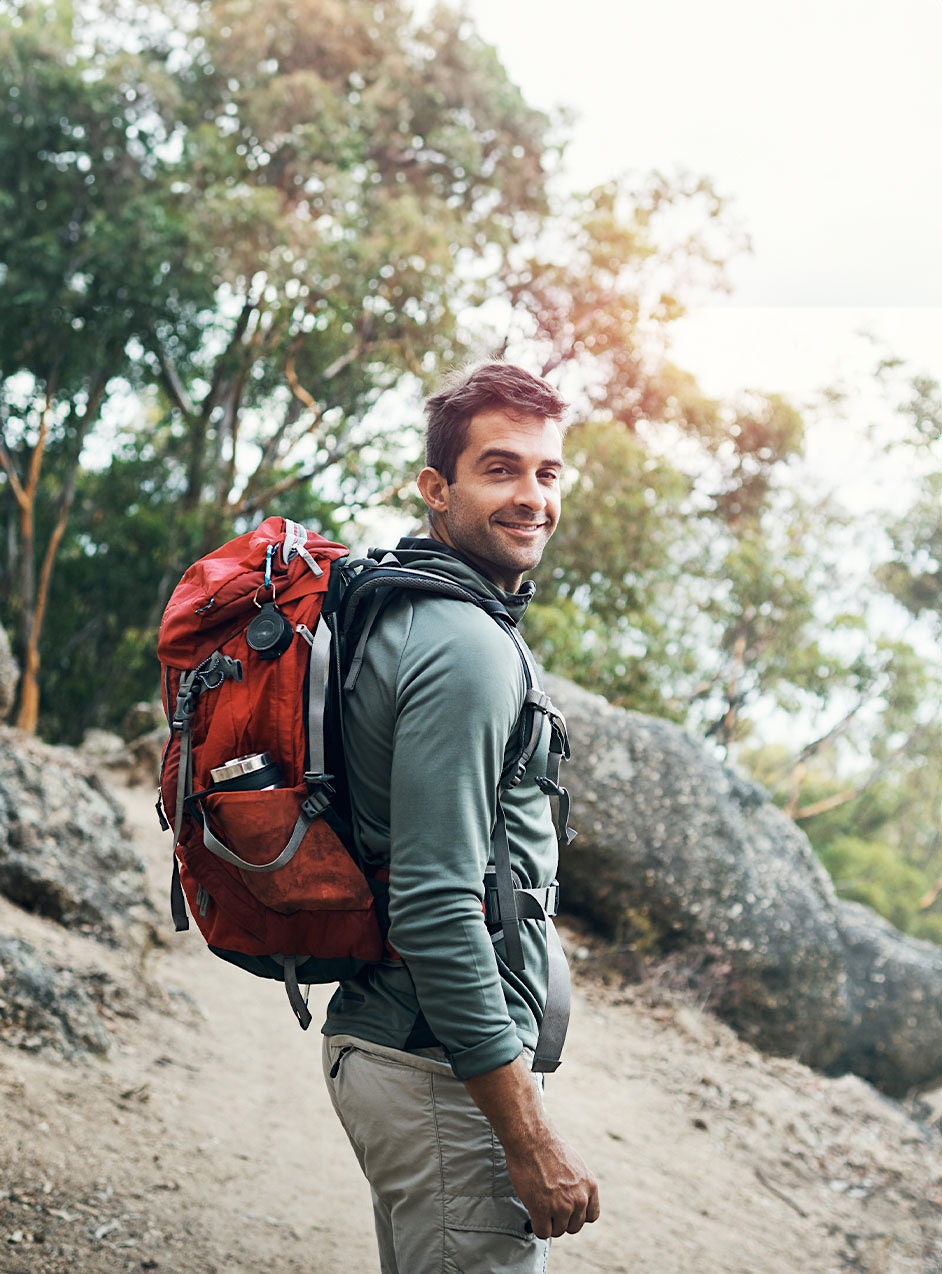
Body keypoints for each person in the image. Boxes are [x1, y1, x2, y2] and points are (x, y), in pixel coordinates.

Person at [321, 360, 600, 1273]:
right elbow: (438, 909)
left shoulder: (410, 606)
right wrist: (528, 1139)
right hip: (440, 1073)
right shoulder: (466, 645)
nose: (532, 497)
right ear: (436, 488)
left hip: (403, 1052)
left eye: (548, 472)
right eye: (501, 469)